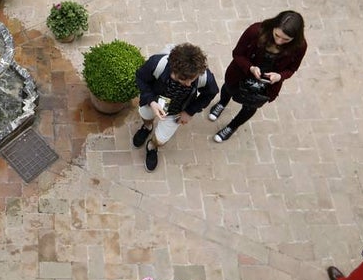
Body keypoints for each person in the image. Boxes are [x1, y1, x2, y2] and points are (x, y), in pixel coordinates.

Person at [207, 11, 307, 144]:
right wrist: (250, 68)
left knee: (250, 107)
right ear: (273, 26)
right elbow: (237, 54)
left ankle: (232, 126)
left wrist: (280, 76)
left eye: (286, 39)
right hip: (240, 73)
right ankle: (222, 103)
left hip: (266, 85)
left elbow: (292, 69)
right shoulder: (255, 31)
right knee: (228, 89)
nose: (279, 41)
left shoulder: (300, 46)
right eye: (277, 35)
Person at [132, 43, 219, 172]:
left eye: (192, 79)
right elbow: (140, 78)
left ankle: (152, 146)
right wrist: (151, 101)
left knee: (162, 139)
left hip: (176, 112)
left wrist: (189, 112)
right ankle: (147, 127)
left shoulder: (204, 76)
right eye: (184, 80)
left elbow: (211, 92)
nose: (189, 84)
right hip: (154, 101)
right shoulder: (157, 63)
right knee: (146, 116)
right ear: (174, 70)